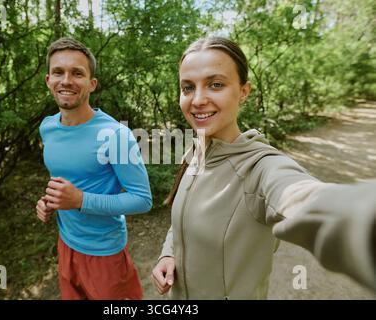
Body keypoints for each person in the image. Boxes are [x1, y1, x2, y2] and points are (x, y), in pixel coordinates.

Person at [151, 36, 376, 299]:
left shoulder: (261, 168)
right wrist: (169, 253)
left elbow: (304, 197)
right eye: (188, 88)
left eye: (215, 84)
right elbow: (182, 220)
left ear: (244, 91)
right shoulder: (195, 154)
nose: (198, 99)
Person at [35, 37, 152, 300]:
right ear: (48, 80)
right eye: (58, 72)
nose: (66, 80)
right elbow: (66, 180)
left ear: (92, 84)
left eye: (77, 73)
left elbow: (143, 200)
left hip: (104, 254)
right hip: (65, 244)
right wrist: (48, 201)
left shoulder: (116, 134)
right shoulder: (47, 127)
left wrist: (80, 200)